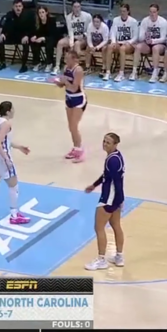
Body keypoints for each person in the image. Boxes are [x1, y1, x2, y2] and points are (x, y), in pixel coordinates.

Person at [83, 132, 125, 270]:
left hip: (109, 198)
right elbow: (107, 175)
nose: (105, 144)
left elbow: (116, 182)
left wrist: (120, 199)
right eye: (104, 141)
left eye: (108, 142)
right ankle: (119, 256)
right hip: (115, 198)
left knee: (99, 227)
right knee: (116, 225)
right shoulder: (116, 156)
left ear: (115, 144)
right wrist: (94, 185)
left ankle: (101, 260)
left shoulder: (112, 161)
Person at [54, 50, 87, 162]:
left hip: (79, 99)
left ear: (74, 59)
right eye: (65, 58)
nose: (65, 60)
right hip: (69, 98)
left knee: (74, 126)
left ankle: (80, 150)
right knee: (70, 126)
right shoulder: (66, 68)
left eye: (67, 59)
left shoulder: (78, 70)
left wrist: (65, 81)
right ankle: (75, 148)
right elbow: (63, 85)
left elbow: (74, 88)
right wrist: (58, 82)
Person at [134, 4, 167, 83]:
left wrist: (153, 41)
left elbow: (163, 38)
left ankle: (155, 73)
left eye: (154, 12)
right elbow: (140, 37)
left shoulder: (163, 22)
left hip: (160, 44)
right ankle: (134, 71)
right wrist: (145, 37)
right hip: (148, 43)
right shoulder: (145, 20)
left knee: (155, 48)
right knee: (138, 47)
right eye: (150, 12)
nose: (152, 14)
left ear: (157, 12)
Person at [105, 4, 138, 82]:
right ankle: (108, 72)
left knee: (122, 49)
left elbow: (136, 36)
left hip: (129, 44)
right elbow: (112, 32)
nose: (122, 13)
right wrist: (113, 42)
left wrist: (129, 42)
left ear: (128, 12)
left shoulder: (133, 21)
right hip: (118, 42)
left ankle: (121, 73)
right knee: (109, 47)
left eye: (124, 11)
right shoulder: (116, 20)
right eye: (121, 11)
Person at [0, 0, 30, 72]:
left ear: (22, 7)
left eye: (19, 6)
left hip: (23, 37)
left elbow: (31, 28)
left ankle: (24, 65)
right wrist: (3, 34)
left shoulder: (27, 15)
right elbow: (6, 27)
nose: (18, 8)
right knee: (0, 40)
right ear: (13, 7)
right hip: (12, 36)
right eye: (16, 6)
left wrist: (27, 36)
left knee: (26, 43)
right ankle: (2, 63)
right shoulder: (9, 15)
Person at [56, 2, 91, 72]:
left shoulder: (87, 16)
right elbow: (70, 31)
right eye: (75, 7)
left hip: (83, 38)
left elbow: (90, 29)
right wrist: (71, 44)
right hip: (72, 37)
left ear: (80, 7)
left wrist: (84, 35)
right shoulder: (68, 17)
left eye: (78, 7)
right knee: (60, 43)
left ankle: (76, 66)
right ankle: (57, 66)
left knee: (77, 44)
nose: (77, 9)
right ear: (72, 8)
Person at [28, 6, 54, 73]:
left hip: (51, 38)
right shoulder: (37, 21)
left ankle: (49, 63)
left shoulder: (51, 20)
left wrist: (43, 38)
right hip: (41, 38)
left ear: (46, 13)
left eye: (43, 12)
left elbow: (53, 34)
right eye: (39, 13)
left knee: (49, 44)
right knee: (34, 43)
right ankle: (37, 62)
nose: (41, 14)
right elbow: (35, 32)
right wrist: (34, 36)